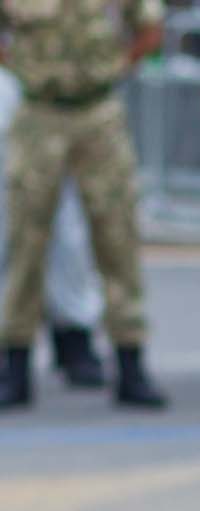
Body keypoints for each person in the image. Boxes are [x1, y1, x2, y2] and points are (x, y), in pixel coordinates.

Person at [0, 0, 167, 411]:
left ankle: (131, 362)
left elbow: (150, 30)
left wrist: (114, 67)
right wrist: (21, 66)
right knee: (25, 243)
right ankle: (15, 364)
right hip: (38, 110)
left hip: (98, 112)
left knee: (117, 239)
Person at [0, 67, 107, 394]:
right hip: (23, 91)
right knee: (13, 228)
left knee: (66, 231)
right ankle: (16, 348)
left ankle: (74, 337)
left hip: (45, 94)